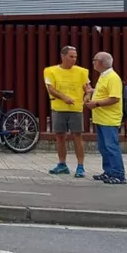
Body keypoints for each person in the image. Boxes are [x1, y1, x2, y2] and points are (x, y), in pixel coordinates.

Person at [45, 46, 93, 178]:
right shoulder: (51, 71)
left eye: (75, 57)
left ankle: (80, 166)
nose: (74, 59)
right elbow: (51, 88)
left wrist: (87, 96)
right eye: (71, 56)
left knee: (77, 136)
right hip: (59, 108)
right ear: (63, 56)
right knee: (60, 136)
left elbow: (88, 89)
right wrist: (64, 97)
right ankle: (62, 164)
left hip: (76, 109)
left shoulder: (82, 72)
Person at [86, 51, 127, 185]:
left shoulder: (112, 77)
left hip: (109, 119)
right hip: (101, 118)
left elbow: (114, 98)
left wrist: (96, 103)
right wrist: (92, 91)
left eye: (94, 60)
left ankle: (119, 174)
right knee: (103, 147)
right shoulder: (103, 76)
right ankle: (109, 171)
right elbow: (104, 92)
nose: (93, 62)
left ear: (101, 63)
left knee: (111, 147)